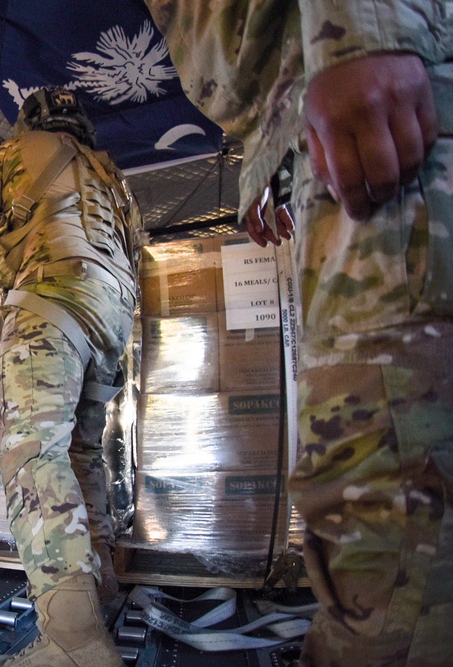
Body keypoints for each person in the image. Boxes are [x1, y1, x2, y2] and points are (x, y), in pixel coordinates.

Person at [142, 2, 452, 665]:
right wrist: (268, 161)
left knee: (394, 571)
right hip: (334, 114)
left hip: (382, 110)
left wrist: (365, 32)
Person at [0, 87, 140, 667]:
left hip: (51, 300)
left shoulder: (13, 153)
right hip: (112, 315)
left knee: (35, 453)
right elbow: (137, 249)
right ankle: (99, 588)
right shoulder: (114, 177)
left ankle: (73, 642)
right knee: (82, 455)